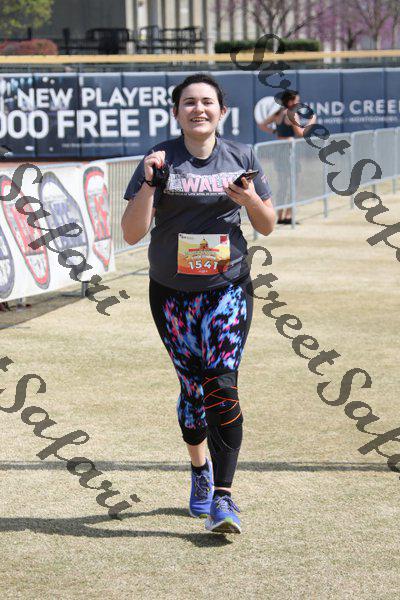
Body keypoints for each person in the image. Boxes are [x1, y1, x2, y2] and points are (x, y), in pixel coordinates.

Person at [121, 73, 275, 534]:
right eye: (188, 102)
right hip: (171, 293)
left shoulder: (242, 156)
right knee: (193, 391)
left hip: (228, 287)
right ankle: (200, 469)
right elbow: (131, 232)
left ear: (222, 112)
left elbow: (267, 224)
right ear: (176, 112)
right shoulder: (158, 158)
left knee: (221, 384)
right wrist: (150, 185)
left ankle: (223, 498)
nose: (198, 109)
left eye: (207, 102)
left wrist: (249, 198)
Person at [258, 90, 316, 225]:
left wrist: (275, 131)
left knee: (282, 185)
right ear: (290, 102)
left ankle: (280, 215)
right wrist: (312, 121)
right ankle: (288, 216)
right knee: (294, 184)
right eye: (297, 101)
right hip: (289, 151)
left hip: (279, 150)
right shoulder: (291, 114)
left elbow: (262, 125)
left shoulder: (278, 113)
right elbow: (300, 133)